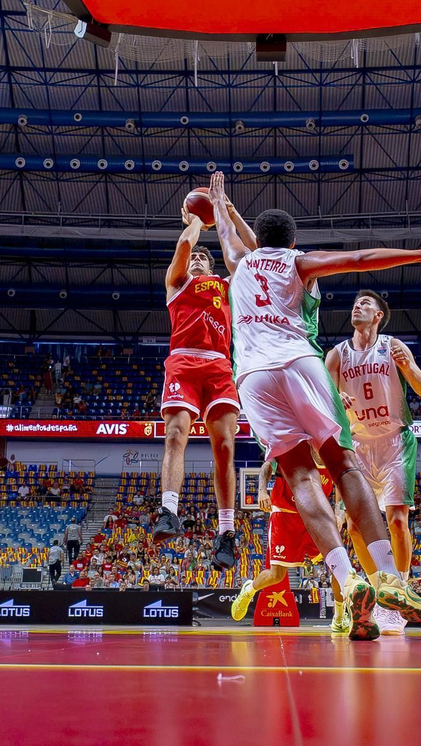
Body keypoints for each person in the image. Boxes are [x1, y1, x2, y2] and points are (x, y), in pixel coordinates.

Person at [210, 171, 421, 641]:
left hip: (253, 379)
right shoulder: (300, 264)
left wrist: (221, 205)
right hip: (300, 362)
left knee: (300, 477)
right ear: (294, 240)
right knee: (344, 466)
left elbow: (227, 237)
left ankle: (348, 580)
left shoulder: (239, 264)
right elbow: (360, 258)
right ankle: (387, 576)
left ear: (256, 238)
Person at [151, 198, 257, 570]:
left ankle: (226, 532)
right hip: (182, 361)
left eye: (203, 258)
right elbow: (183, 246)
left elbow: (252, 256)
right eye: (195, 257)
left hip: (219, 367)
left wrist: (225, 215)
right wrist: (196, 221)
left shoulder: (227, 286)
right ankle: (168, 511)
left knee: (224, 447)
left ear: (212, 267)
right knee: (175, 435)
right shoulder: (177, 283)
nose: (196, 259)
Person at [326, 289, 421, 635]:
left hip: (395, 441)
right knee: (355, 527)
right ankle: (378, 588)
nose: (358, 306)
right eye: (355, 302)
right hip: (355, 444)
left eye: (366, 304)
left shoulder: (393, 346)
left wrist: (408, 366)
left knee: (397, 520)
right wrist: (333, 396)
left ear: (378, 317)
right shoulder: (337, 355)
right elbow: (320, 397)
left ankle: (398, 593)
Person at [230, 458, 363, 635]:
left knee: (338, 566)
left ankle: (339, 617)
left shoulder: (330, 454)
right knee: (276, 575)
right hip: (285, 516)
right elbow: (267, 465)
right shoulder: (294, 448)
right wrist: (262, 491)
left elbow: (340, 485)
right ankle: (248, 590)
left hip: (316, 516)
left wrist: (339, 512)